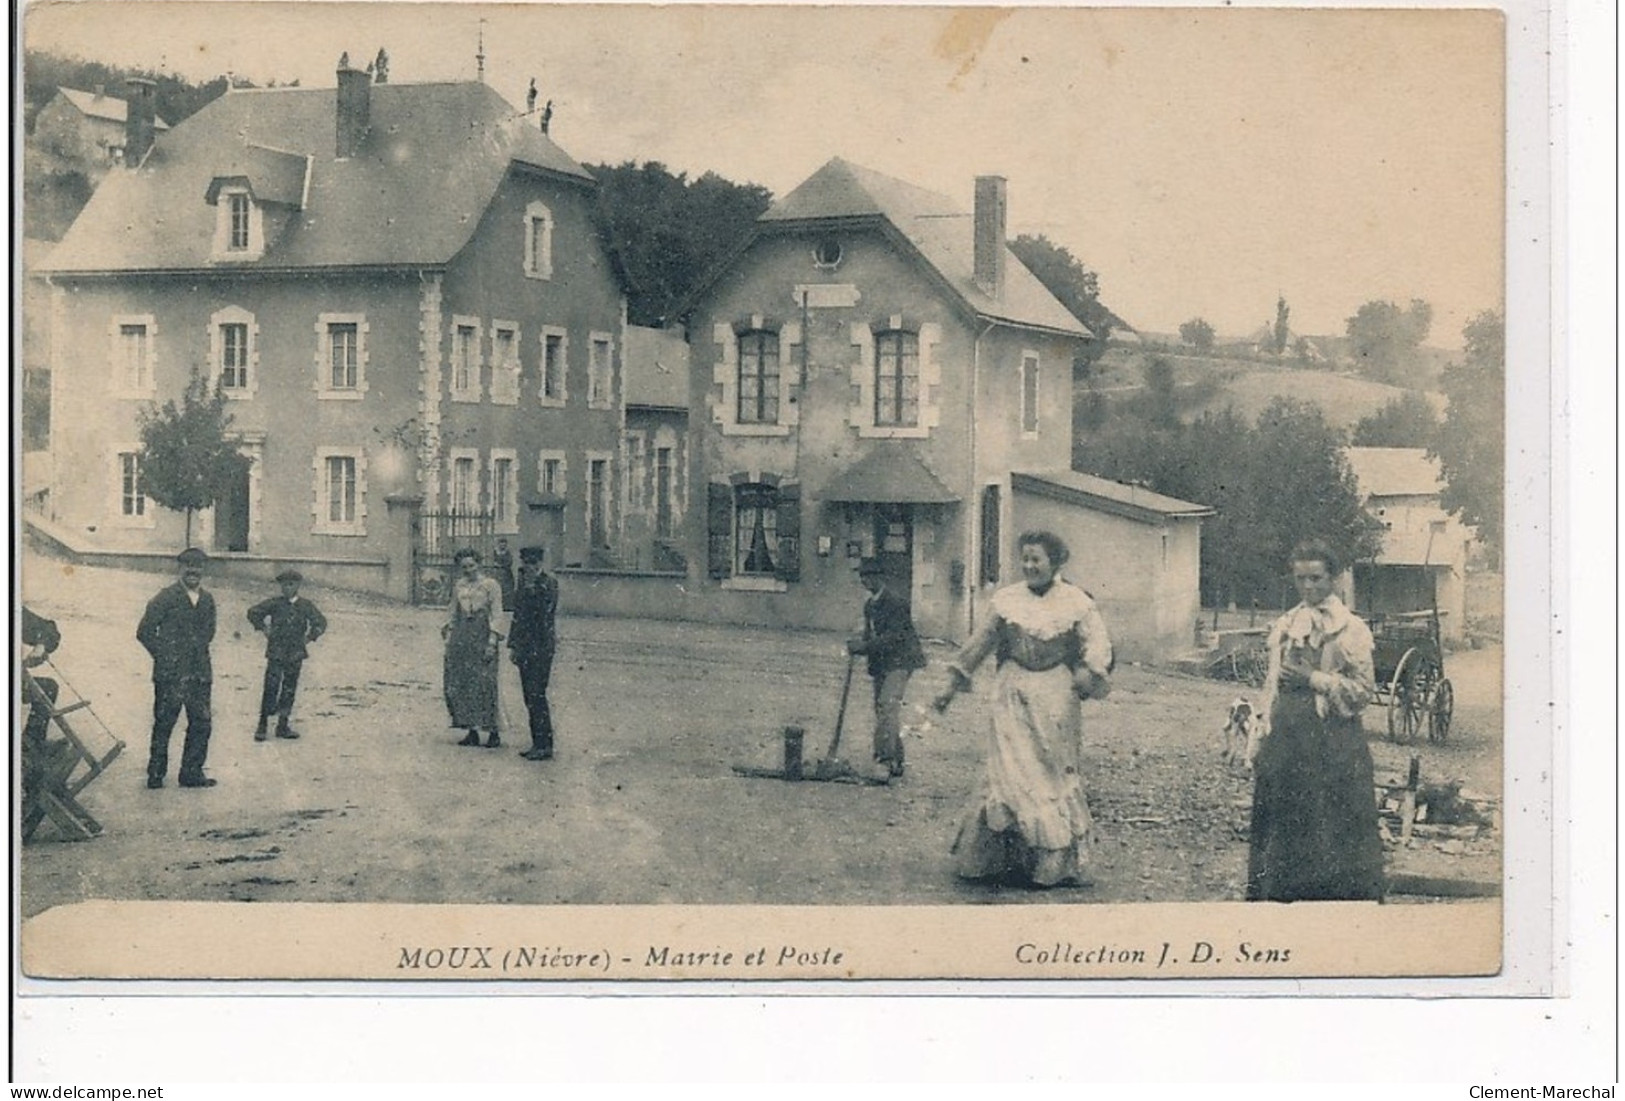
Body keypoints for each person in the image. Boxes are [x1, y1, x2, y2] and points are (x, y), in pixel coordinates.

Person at [933, 530, 1113, 887]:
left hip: (1055, 699)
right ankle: (998, 858)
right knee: (1009, 774)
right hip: (1011, 694)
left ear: (1055, 562)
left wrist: (1087, 673)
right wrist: (950, 687)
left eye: (1037, 559)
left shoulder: (1077, 602)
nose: (1030, 566)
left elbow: (1097, 645)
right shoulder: (1007, 601)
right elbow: (978, 645)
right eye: (1025, 559)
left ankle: (1052, 860)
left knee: (1049, 775)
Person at [1246, 539, 1385, 902]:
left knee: (1331, 822)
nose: (1308, 587)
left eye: (1317, 579)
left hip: (1333, 743)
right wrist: (1261, 732)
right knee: (1285, 822)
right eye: (1301, 579)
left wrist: (1313, 679)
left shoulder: (1351, 629)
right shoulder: (1287, 624)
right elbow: (1272, 684)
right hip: (1288, 741)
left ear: (1334, 579)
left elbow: (1363, 692)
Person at [137, 547, 219, 789]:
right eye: (188, 565)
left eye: (199, 566)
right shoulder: (165, 597)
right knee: (164, 722)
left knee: (201, 722)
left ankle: (191, 773)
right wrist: (164, 657)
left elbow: (209, 633)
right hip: (170, 675)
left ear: (203, 570)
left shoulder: (207, 600)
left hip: (199, 673)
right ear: (180, 568)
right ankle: (156, 773)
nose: (194, 570)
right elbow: (144, 632)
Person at [846, 559, 925, 778]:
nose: (864, 581)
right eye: (862, 576)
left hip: (901, 660)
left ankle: (885, 760)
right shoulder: (870, 605)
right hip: (882, 662)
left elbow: (895, 637)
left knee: (887, 706)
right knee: (883, 710)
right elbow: (870, 634)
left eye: (868, 576)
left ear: (879, 578)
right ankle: (896, 760)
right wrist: (858, 645)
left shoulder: (896, 602)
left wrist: (866, 646)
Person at [246, 569, 328, 742]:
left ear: (298, 585)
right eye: (284, 585)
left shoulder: (306, 605)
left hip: (296, 653)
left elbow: (320, 622)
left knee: (289, 688)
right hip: (276, 652)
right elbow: (253, 612)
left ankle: (283, 725)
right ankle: (262, 725)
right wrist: (263, 628)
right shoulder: (275, 603)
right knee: (271, 687)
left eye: (291, 584)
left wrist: (310, 637)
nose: (287, 588)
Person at [443, 547, 505, 748]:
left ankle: (493, 731)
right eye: (464, 567)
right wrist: (449, 635)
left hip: (483, 636)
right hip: (462, 638)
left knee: (486, 683)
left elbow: (497, 614)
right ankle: (472, 731)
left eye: (471, 565)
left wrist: (492, 642)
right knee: (465, 683)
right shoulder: (459, 585)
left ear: (478, 564)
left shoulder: (490, 585)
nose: (468, 570)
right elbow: (452, 611)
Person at [508, 545, 560, 761]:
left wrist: (532, 587)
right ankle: (536, 742)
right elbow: (517, 615)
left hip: (541, 647)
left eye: (533, 563)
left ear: (540, 563)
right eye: (526, 563)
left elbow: (545, 612)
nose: (529, 566)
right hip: (524, 647)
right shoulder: (523, 583)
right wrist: (513, 645)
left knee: (537, 694)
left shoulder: (548, 583)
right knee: (529, 696)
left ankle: (545, 745)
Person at [492, 538, 517, 612]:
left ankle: (507, 605)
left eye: (504, 543)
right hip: (497, 573)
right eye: (501, 543)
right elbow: (493, 561)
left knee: (507, 589)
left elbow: (509, 562)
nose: (502, 545)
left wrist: (502, 565)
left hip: (506, 573)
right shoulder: (495, 552)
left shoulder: (508, 553)